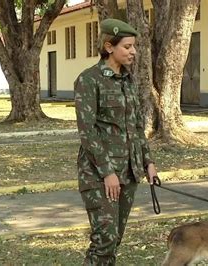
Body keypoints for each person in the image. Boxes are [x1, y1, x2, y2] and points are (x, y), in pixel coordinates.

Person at [74, 18, 157, 265]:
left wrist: (148, 162)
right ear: (109, 47)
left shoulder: (128, 81)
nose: (133, 52)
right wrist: (107, 172)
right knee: (105, 240)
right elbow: (87, 131)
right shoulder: (89, 79)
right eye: (127, 47)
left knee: (113, 240)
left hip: (129, 173)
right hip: (99, 175)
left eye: (134, 46)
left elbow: (137, 127)